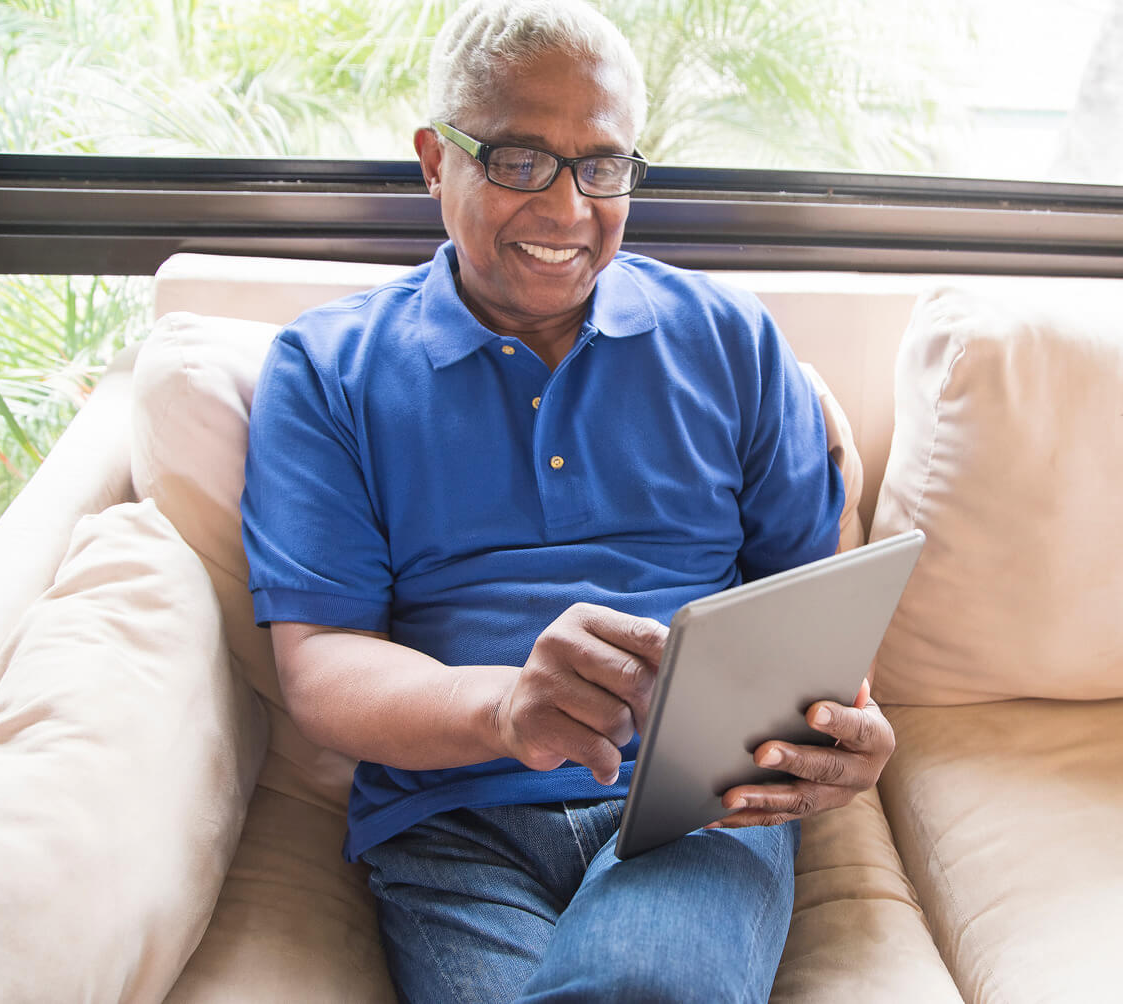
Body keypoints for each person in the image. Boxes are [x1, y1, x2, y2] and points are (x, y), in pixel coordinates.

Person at [239, 1, 896, 1000]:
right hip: (449, 823)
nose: (565, 208)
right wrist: (505, 706)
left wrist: (847, 725)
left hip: (696, 808)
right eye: (516, 159)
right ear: (433, 161)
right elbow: (321, 666)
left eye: (601, 165)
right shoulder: (326, 367)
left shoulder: (729, 339)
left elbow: (814, 609)